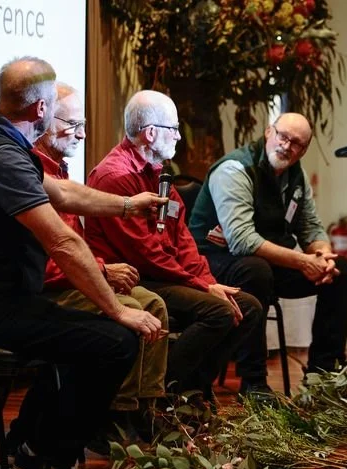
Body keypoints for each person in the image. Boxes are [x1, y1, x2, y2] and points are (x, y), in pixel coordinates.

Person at [0, 57, 166, 469]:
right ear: (40, 109)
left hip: (6, 300)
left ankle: (26, 439)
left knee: (89, 336)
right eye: (54, 105)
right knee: (115, 341)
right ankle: (44, 456)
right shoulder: (2, 157)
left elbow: (64, 192)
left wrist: (127, 205)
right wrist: (117, 310)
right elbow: (62, 241)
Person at [85, 90, 271, 401]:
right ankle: (166, 392)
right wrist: (204, 286)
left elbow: (183, 242)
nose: (179, 136)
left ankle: (190, 390)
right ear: (151, 133)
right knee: (220, 313)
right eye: (174, 128)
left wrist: (210, 283)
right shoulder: (115, 177)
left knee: (247, 308)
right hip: (134, 280)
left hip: (162, 276)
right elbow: (145, 255)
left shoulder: (159, 175)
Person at [31, 82, 168, 446]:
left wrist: (101, 269)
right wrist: (104, 271)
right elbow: (53, 257)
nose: (82, 134)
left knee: (153, 305)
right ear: (43, 120)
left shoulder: (60, 171)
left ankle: (143, 411)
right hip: (49, 290)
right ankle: (112, 417)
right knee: (134, 312)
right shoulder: (31, 173)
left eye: (84, 124)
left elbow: (75, 245)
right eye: (73, 124)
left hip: (74, 279)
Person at [189, 113, 347, 373]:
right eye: (282, 136)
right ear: (268, 132)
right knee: (255, 270)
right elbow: (242, 240)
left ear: (304, 150)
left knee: (339, 271)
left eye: (296, 143)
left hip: (264, 262)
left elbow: (310, 226)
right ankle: (253, 378)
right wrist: (302, 261)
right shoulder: (235, 169)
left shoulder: (295, 176)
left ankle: (324, 374)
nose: (286, 146)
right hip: (213, 262)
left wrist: (323, 256)